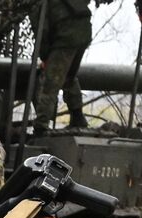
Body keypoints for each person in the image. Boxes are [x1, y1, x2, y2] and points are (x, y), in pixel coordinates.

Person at [35, 0, 94, 131]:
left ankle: (41, 125)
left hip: (66, 36)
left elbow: (41, 29)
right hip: (83, 32)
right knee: (68, 76)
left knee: (51, 81)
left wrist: (45, 56)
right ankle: (78, 117)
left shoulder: (36, 3)